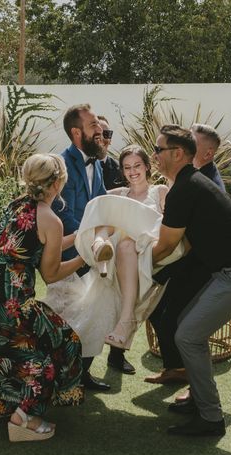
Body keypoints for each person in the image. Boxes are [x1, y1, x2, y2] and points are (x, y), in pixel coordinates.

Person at [151, 125, 231, 436]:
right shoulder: (191, 183)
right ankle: (198, 398)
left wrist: (134, 263)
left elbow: (164, 246)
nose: (154, 155)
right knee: (187, 327)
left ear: (177, 154)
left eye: (158, 150)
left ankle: (210, 418)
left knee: (188, 336)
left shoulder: (184, 188)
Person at [0, 153, 84, 442]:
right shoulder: (51, 219)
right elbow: (52, 271)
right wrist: (86, 256)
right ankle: (24, 418)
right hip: (11, 295)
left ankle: (0, 405)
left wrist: (79, 236)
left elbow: (36, 244)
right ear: (58, 183)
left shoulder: (16, 205)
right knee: (57, 342)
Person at [67, 145, 170, 360]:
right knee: (104, 208)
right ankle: (100, 245)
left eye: (137, 166)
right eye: (127, 167)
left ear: (147, 167)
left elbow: (167, 226)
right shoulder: (118, 194)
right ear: (122, 171)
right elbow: (96, 209)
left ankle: (125, 319)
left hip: (146, 249)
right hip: (119, 255)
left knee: (126, 241)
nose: (132, 171)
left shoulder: (160, 191)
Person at [49, 103, 111, 391]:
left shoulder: (96, 163)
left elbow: (99, 204)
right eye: (94, 125)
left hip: (91, 254)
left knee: (91, 316)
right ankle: (59, 379)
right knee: (68, 319)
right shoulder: (61, 165)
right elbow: (62, 212)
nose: (100, 130)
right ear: (77, 133)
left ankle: (81, 375)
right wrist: (90, 239)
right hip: (66, 257)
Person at [96, 115, 134, 375]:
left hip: (118, 242)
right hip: (90, 240)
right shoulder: (77, 166)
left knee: (121, 298)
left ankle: (117, 355)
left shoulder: (116, 167)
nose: (105, 139)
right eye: (100, 134)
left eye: (108, 134)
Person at [97, 116, 125, 190]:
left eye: (106, 134)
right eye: (98, 134)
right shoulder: (76, 169)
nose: (102, 138)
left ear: (110, 139)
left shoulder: (121, 171)